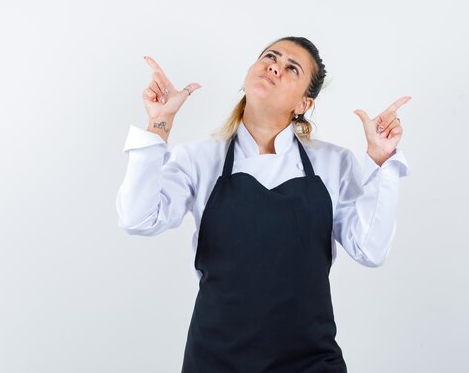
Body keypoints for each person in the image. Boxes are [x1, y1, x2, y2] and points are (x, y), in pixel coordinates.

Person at [116, 36, 411, 373]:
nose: (274, 66)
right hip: (215, 360)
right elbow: (137, 218)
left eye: (291, 68)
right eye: (270, 57)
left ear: (303, 104)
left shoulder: (333, 163)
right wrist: (158, 126)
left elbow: (370, 250)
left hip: (310, 362)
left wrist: (382, 163)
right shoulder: (198, 159)